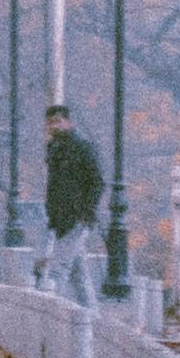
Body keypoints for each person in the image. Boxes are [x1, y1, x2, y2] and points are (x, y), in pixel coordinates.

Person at [41, 101, 109, 265]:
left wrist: (86, 213)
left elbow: (97, 182)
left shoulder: (82, 147)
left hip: (75, 217)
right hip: (60, 218)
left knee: (59, 267)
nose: (54, 126)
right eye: (50, 123)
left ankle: (52, 292)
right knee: (78, 274)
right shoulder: (54, 149)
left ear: (69, 122)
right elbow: (54, 185)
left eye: (58, 121)